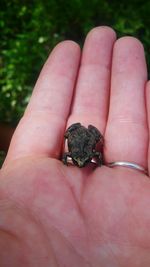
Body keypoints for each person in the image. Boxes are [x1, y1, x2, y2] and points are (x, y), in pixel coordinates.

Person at [0, 26, 150, 266]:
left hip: (83, 134)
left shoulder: (82, 156)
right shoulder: (75, 157)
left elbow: (92, 158)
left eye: (81, 162)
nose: (80, 164)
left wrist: (94, 152)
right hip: (79, 134)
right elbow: (76, 158)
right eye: (78, 162)